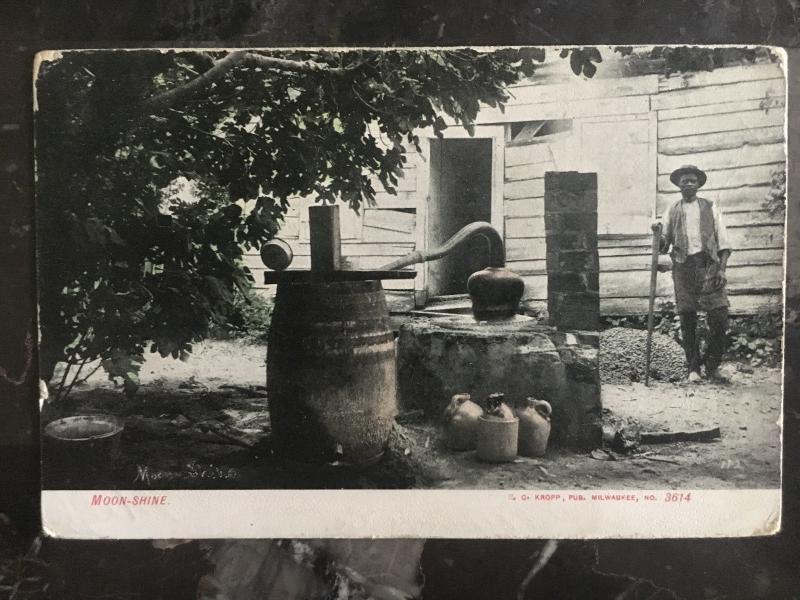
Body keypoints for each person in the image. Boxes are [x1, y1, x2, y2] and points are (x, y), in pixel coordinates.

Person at [653, 164, 732, 384]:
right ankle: (693, 368)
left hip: (709, 266)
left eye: (692, 180)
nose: (688, 184)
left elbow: (723, 241)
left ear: (698, 184)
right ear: (678, 185)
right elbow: (663, 244)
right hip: (683, 267)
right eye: (684, 181)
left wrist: (722, 270)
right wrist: (657, 234)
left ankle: (712, 365)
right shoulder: (672, 210)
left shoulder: (710, 207)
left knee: (720, 317)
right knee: (688, 318)